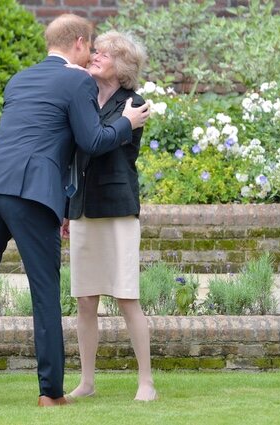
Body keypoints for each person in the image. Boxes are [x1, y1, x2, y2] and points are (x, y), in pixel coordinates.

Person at [0, 14, 150, 408]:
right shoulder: (76, 80)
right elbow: (92, 140)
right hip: (30, 193)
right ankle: (50, 394)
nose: (91, 54)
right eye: (90, 46)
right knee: (44, 294)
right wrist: (126, 123)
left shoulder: (19, 78)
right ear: (78, 42)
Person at [62, 31, 157, 402]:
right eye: (96, 51)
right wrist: (68, 209)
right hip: (84, 208)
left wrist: (123, 123)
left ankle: (146, 381)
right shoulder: (84, 97)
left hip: (117, 210)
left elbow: (98, 142)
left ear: (124, 66)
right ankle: (86, 382)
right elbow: (76, 156)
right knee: (85, 300)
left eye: (106, 53)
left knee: (126, 296)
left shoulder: (135, 104)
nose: (96, 55)